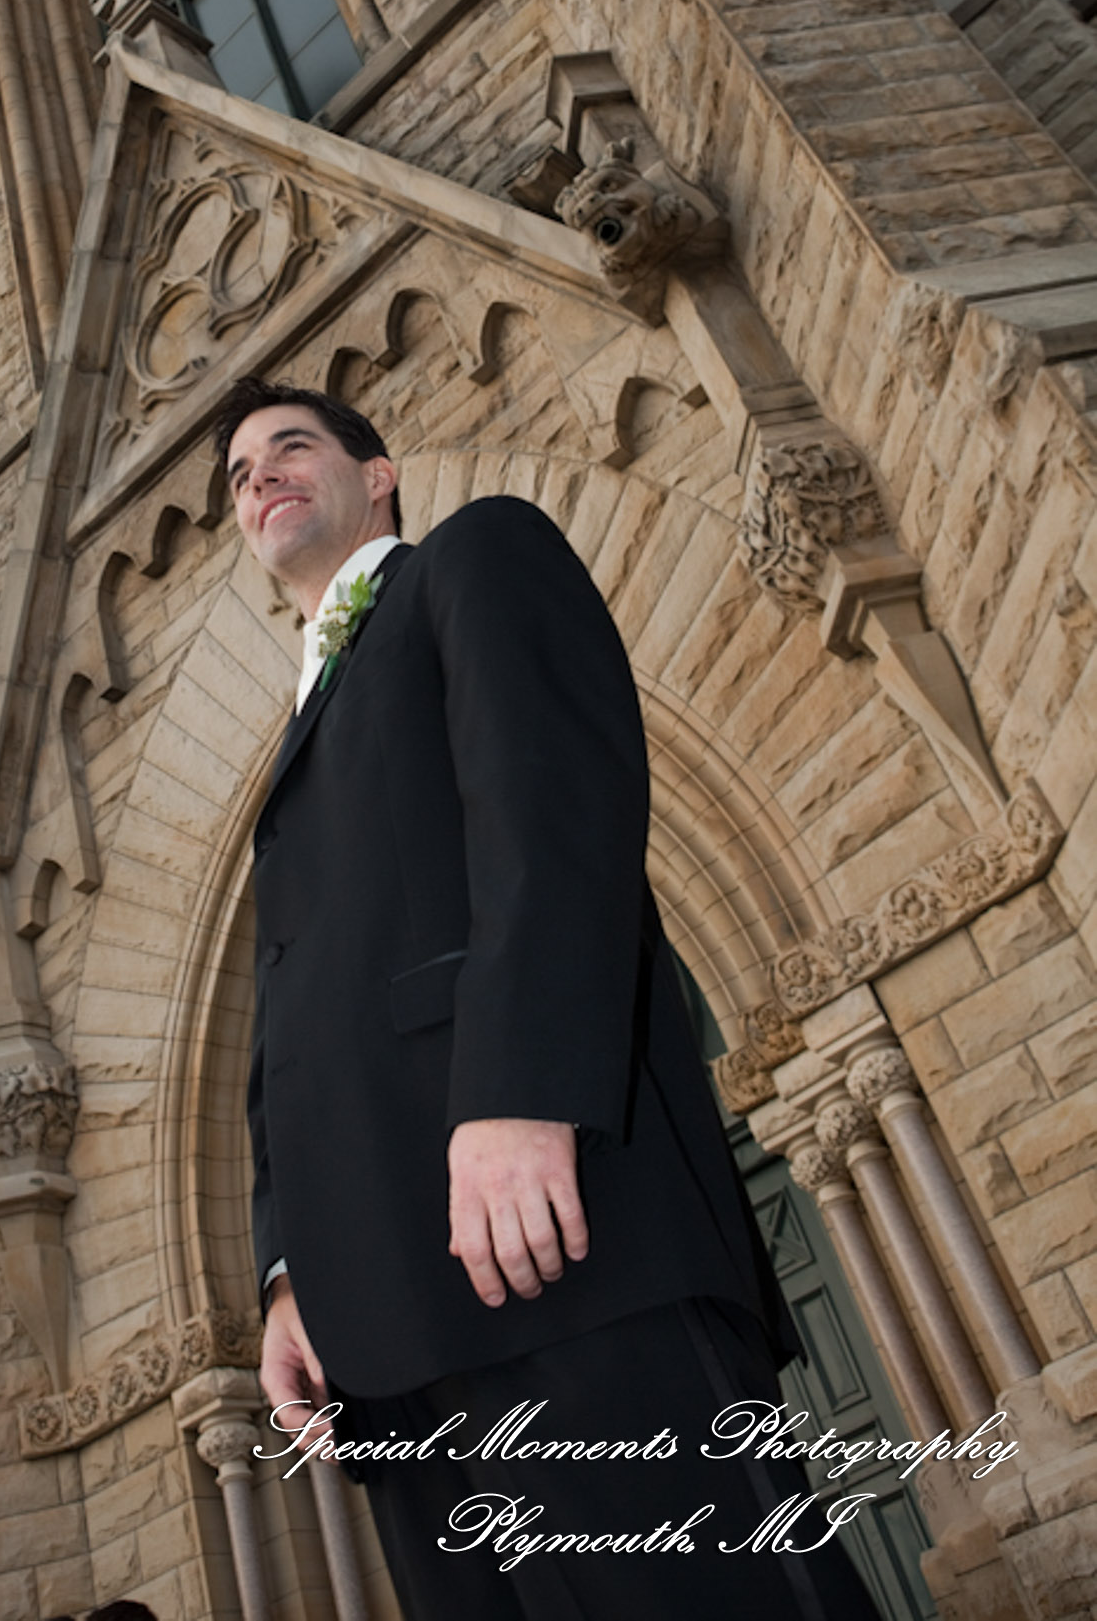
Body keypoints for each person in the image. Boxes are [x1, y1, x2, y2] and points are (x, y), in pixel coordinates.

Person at [219, 375, 885, 1621]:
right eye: (240, 472)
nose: (257, 475)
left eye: (289, 446)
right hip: (386, 1329)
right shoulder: (295, 746)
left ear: (381, 475)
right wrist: (288, 1274)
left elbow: (555, 815)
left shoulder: (475, 560)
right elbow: (285, 1039)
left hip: (554, 1236)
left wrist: (522, 1093)